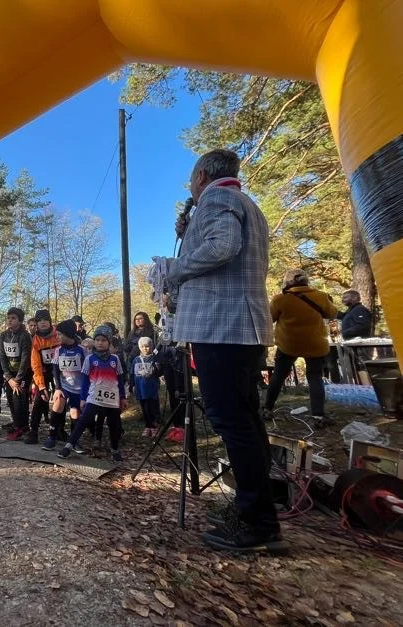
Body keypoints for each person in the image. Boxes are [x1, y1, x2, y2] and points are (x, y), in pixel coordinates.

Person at [163, 148, 285, 553]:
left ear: (201, 176)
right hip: (240, 327)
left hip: (222, 326)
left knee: (232, 420)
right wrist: (190, 229)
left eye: (190, 181)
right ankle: (255, 509)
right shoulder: (244, 202)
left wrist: (174, 269)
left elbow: (222, 246)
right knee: (246, 420)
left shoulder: (217, 198)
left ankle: (258, 523)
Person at [263, 269, 338, 425]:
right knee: (315, 378)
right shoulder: (320, 296)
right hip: (315, 344)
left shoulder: (280, 299)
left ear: (288, 282)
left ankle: (267, 409)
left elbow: (268, 319)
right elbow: (332, 314)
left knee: (278, 376)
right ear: (306, 280)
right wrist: (329, 302)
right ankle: (318, 415)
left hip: (288, 344)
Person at [58, 326, 127, 461]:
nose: (100, 343)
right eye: (97, 340)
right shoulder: (89, 359)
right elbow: (85, 381)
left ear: (109, 342)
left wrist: (123, 397)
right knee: (83, 421)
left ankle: (115, 449)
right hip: (94, 397)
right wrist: (83, 399)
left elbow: (120, 379)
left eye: (103, 340)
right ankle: (69, 445)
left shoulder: (115, 359)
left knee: (114, 424)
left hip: (112, 399)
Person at [42, 319, 86, 451]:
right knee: (58, 403)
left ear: (68, 334)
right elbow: (55, 370)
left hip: (79, 388)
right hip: (64, 385)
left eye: (60, 334)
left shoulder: (82, 350)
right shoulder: (58, 350)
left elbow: (87, 372)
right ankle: (52, 437)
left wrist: (85, 391)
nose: (57, 336)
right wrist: (58, 388)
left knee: (75, 412)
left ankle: (74, 440)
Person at [27, 309, 60, 445]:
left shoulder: (58, 334)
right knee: (39, 400)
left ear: (50, 321)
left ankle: (59, 429)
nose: (43, 323)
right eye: (39, 320)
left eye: (45, 320)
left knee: (60, 399)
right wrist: (40, 385)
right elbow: (36, 365)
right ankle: (33, 431)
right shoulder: (35, 341)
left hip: (60, 370)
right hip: (44, 371)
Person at [0, 307, 33, 441]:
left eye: (13, 318)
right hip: (10, 374)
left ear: (19, 320)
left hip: (22, 374)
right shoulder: (3, 335)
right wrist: (8, 377)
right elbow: (2, 356)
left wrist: (17, 379)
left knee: (19, 399)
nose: (10, 320)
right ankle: (17, 423)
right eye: (8, 318)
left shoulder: (25, 336)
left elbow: (26, 358)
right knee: (10, 399)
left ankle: (21, 426)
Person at [131, 336, 162, 438]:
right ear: (140, 347)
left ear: (151, 346)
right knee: (144, 408)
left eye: (147, 346)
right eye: (143, 346)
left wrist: (157, 368)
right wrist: (132, 385)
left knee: (152, 408)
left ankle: (154, 426)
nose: (145, 348)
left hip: (151, 388)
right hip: (140, 389)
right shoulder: (136, 360)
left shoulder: (154, 358)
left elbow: (159, 373)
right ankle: (147, 426)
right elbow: (132, 374)